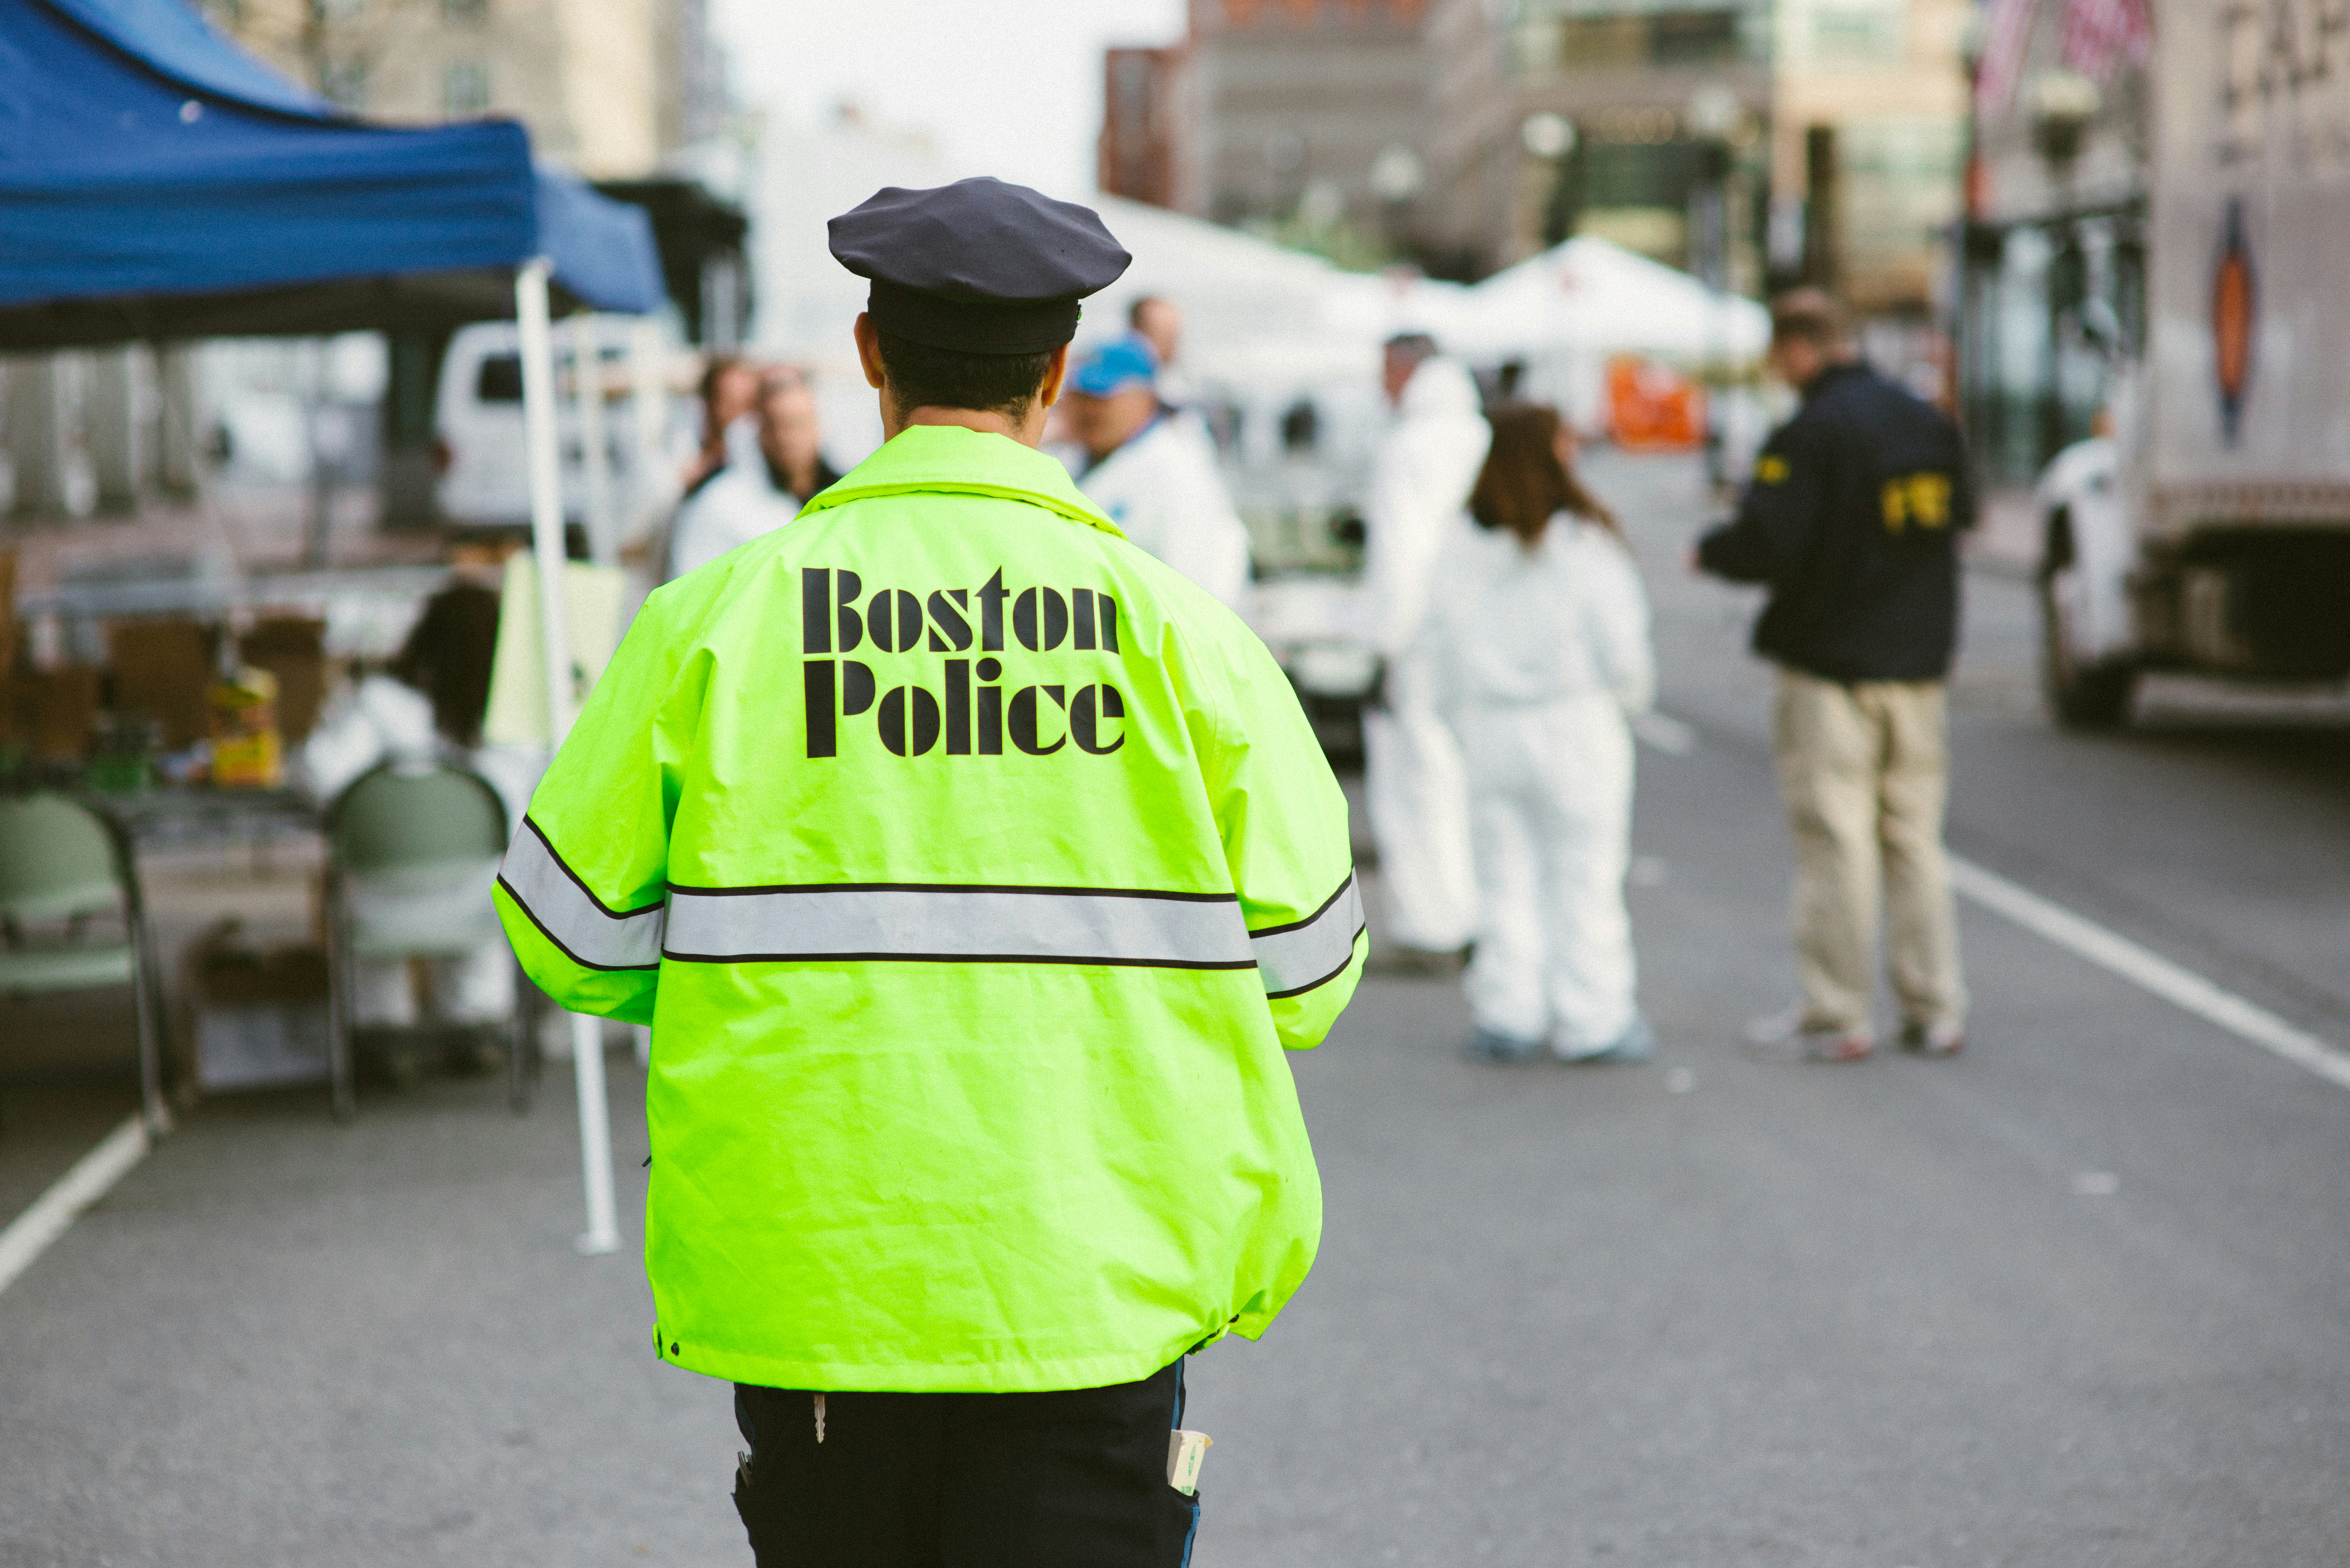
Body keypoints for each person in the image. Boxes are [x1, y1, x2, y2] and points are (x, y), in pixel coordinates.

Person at [493, 175, 1365, 1566]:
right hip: (1099, 1276)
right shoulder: (1182, 632)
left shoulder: (715, 619)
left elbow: (565, 935)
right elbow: (1309, 974)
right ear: (1058, 375)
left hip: (821, 1279)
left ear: (868, 357)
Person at [1693, 288, 1972, 1063]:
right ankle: (1936, 1004)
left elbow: (1769, 540)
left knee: (1835, 836)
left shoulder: (1810, 432)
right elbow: (1960, 517)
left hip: (1832, 663)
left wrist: (1711, 550)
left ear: (1797, 349)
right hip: (1917, 662)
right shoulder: (1925, 419)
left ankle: (1839, 1010)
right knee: (1915, 837)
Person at [1415, 405, 1655, 1064]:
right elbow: (1623, 648)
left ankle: (1506, 1010)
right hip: (1577, 723)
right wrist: (1626, 705)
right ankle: (1594, 1017)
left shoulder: (1462, 538)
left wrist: (1451, 717)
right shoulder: (1584, 540)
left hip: (1491, 725)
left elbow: (1433, 640)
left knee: (1502, 876)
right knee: (1587, 876)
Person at [1360, 332, 1490, 958]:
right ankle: (1471, 913)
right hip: (1480, 638)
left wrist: (1383, 646)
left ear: (1405, 370)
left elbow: (1401, 554)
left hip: (1420, 639)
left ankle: (1431, 922)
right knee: (1468, 781)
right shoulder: (1478, 435)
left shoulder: (1408, 446)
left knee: (1419, 784)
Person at [1062, 334, 1254, 613]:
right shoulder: (1072, 460)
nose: (1088, 408)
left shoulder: (1179, 474)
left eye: (1102, 395)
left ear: (1146, 398)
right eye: (1080, 395)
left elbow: (1196, 598)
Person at [666, 367, 839, 580]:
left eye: (798, 423)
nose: (787, 438)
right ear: (760, 431)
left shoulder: (845, 498)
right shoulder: (720, 504)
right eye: (776, 425)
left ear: (819, 425)